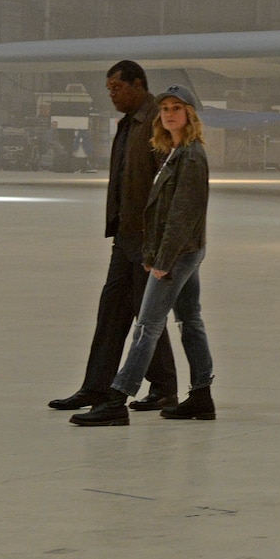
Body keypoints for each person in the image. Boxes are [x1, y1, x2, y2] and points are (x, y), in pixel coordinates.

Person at [72, 85, 216, 425]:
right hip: (185, 251)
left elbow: (182, 215)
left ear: (189, 115)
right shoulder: (175, 151)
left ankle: (117, 399)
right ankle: (201, 396)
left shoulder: (191, 156)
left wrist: (161, 260)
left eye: (176, 108)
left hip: (179, 254)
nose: (168, 113)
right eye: (165, 108)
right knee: (190, 321)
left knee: (147, 326)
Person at [47, 61, 178, 413]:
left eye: (117, 88)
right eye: (109, 89)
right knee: (113, 312)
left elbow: (169, 185)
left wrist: (162, 242)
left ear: (138, 85)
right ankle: (96, 387)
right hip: (125, 235)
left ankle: (163, 388)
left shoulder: (155, 123)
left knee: (143, 313)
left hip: (146, 238)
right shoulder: (128, 124)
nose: (112, 95)